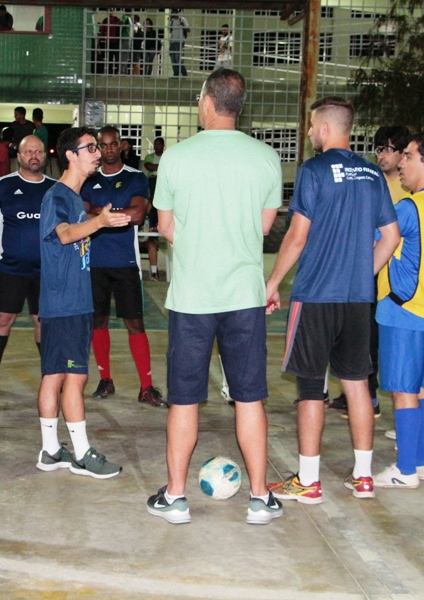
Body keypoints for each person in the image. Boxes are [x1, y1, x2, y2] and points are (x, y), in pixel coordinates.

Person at [145, 69, 283, 525]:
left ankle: (176, 496)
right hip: (244, 295)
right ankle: (260, 499)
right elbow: (264, 227)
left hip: (192, 299)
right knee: (249, 398)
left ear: (207, 101)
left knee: (185, 399)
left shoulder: (177, 158)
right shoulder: (265, 157)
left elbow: (165, 228)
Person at [264, 97, 400, 504]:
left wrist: (272, 283)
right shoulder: (374, 174)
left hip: (317, 295)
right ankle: (363, 478)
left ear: (324, 129)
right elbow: (391, 238)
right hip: (359, 299)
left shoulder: (314, 170)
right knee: (357, 384)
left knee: (311, 386)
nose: (307, 133)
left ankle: (308, 481)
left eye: (310, 126)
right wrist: (362, 275)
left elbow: (297, 235)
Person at [35, 126, 130, 479]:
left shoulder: (74, 198)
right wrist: (99, 223)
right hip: (65, 303)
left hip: (71, 301)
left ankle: (50, 451)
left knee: (56, 375)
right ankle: (81, 453)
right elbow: (62, 235)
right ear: (70, 155)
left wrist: (97, 221)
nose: (96, 152)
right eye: (89, 147)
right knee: (73, 378)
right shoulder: (57, 196)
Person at [372, 132, 424, 490]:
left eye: (408, 156)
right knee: (423, 388)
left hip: (403, 308)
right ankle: (420, 462)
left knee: (403, 391)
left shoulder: (409, 207)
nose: (402, 163)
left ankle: (404, 470)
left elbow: (376, 243)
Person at [81, 126, 166, 408]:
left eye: (112, 144)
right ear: (97, 148)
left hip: (126, 263)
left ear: (121, 146)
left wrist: (100, 214)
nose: (107, 149)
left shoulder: (135, 177)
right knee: (98, 322)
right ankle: (105, 379)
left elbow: (138, 213)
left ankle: (146, 386)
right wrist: (115, 213)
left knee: (135, 324)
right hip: (94, 263)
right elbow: (81, 212)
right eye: (102, 145)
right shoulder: (88, 179)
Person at [329, 123, 410, 418]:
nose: (381, 155)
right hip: (366, 267)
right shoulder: (372, 179)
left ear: (403, 153)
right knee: (356, 331)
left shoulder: (408, 187)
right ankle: (357, 388)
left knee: (376, 335)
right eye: (378, 149)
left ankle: (370, 395)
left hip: (392, 273)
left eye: (387, 148)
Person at [0, 135, 55, 393]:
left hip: (46, 271)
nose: (34, 155)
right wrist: (4, 244)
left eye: (39, 151)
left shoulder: (55, 189)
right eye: (28, 151)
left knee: (42, 321)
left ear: (45, 156)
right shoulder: (2, 185)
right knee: (3, 319)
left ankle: (50, 376)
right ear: (19, 157)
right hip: (9, 268)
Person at [143, 137, 165, 280]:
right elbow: (149, 167)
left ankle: (159, 227)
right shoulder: (149, 156)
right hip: (152, 181)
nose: (157, 146)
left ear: (162, 145)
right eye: (155, 143)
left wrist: (159, 167)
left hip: (163, 181)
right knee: (152, 204)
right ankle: (151, 226)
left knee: (161, 206)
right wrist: (162, 166)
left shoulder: (167, 156)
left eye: (159, 144)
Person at [97, 9, 121, 74]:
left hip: (116, 41)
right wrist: (98, 44)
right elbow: (102, 32)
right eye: (109, 10)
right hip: (109, 42)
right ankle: (110, 73)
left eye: (112, 10)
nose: (111, 12)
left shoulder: (117, 19)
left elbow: (122, 25)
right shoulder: (105, 21)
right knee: (110, 59)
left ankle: (117, 72)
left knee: (117, 59)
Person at [168, 9, 189, 77]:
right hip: (172, 41)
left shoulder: (182, 19)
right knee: (172, 59)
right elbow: (169, 31)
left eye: (173, 13)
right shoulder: (172, 21)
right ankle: (176, 74)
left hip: (179, 41)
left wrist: (182, 25)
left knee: (177, 59)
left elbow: (188, 29)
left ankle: (184, 73)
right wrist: (169, 21)